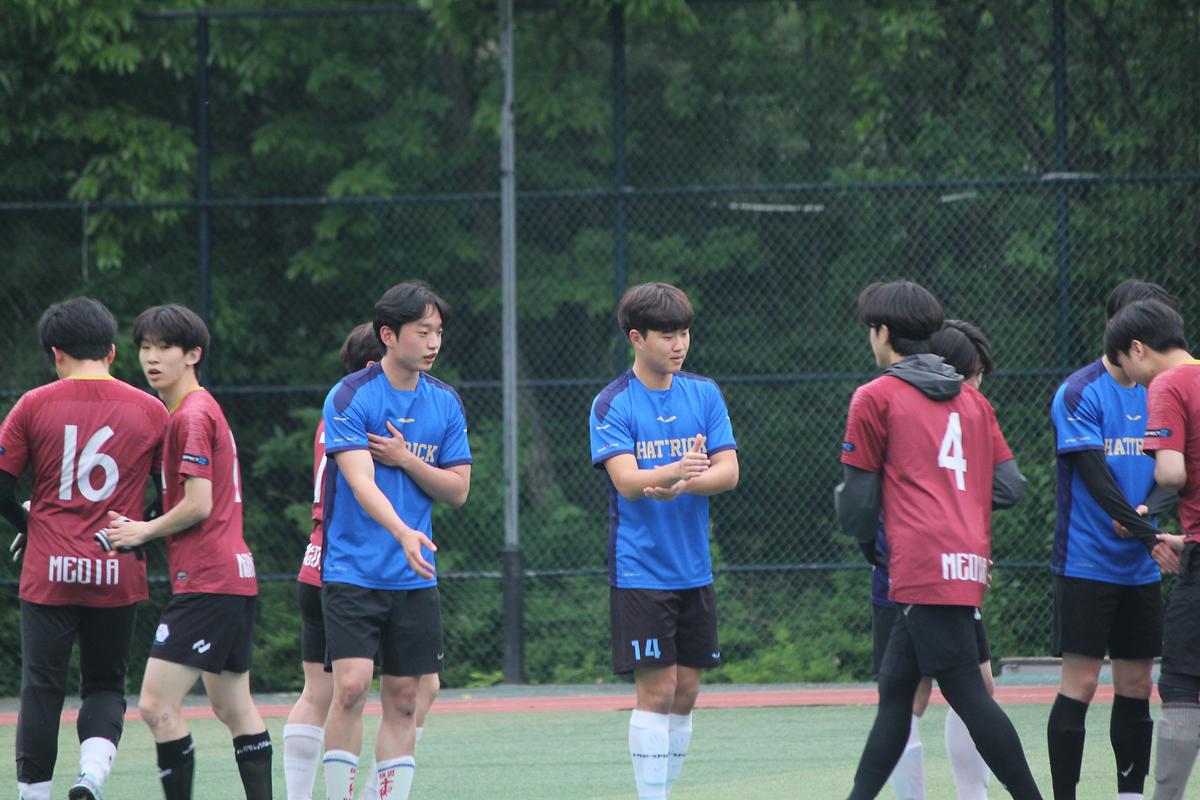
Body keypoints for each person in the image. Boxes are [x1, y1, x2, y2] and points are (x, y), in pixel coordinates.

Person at [838, 280, 1041, 799]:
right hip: (965, 560)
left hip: (918, 560)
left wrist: (870, 541)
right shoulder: (972, 401)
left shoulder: (875, 396)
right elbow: (1007, 484)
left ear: (883, 332)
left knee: (968, 693)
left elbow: (858, 502)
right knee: (897, 697)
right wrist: (954, 503)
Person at [0, 297, 169, 800]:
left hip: (48, 571)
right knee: (105, 683)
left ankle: (34, 795)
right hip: (115, 567)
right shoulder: (151, 409)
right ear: (112, 352)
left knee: (41, 686)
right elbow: (171, 493)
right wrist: (140, 528)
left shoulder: (33, 404)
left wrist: (32, 524)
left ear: (56, 353)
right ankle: (91, 777)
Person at [104, 304, 272, 800]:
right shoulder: (194, 410)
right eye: (144, 347)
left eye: (165, 348)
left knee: (157, 706)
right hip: (233, 576)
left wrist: (142, 531)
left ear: (193, 354)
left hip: (208, 580)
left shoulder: (192, 415)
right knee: (234, 707)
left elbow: (199, 504)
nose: (151, 358)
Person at [319, 282, 471, 800]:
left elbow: (457, 490)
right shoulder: (350, 396)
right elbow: (360, 481)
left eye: (438, 332)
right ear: (388, 335)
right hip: (352, 569)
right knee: (351, 687)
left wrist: (407, 459)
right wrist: (402, 529)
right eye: (422, 332)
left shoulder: (445, 401)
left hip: (414, 574)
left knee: (406, 698)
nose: (433, 342)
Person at [588, 282, 740, 800]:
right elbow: (629, 482)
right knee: (657, 690)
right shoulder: (612, 403)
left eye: (685, 333)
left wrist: (681, 483)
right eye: (667, 335)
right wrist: (677, 470)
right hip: (640, 568)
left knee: (687, 691)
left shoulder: (704, 392)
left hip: (694, 567)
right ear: (637, 337)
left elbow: (729, 471)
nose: (680, 344)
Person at [282, 323, 441, 800]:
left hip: (317, 558)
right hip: (355, 564)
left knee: (322, 692)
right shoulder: (369, 415)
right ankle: (374, 790)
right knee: (415, 687)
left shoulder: (337, 411)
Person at [857, 319, 1004, 800]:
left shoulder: (963, 414)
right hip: (906, 573)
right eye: (972, 376)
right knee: (914, 700)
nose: (976, 387)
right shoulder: (902, 407)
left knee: (968, 691)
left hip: (948, 569)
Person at [1046, 280, 1182, 800]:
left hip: (1141, 563)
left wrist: (1146, 516)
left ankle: (1130, 795)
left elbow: (1174, 469)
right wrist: (1148, 532)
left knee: (1135, 685)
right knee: (1080, 685)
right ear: (1121, 330)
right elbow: (1096, 478)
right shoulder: (1078, 391)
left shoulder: (1163, 390)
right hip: (1086, 562)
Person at [1103, 298, 1198, 800]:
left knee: (1180, 680)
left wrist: (1148, 498)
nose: (1135, 382)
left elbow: (1172, 473)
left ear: (1138, 349)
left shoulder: (1168, 384)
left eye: (1127, 367)